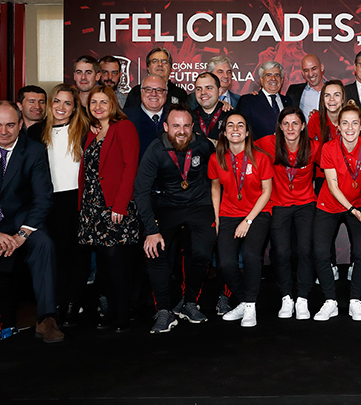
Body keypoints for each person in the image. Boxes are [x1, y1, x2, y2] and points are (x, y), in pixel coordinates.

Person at [0, 101, 59, 347]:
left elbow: (43, 198)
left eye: (9, 125)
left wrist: (22, 235)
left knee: (44, 245)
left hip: (20, 222)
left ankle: (47, 318)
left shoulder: (35, 150)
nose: (3, 131)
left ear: (20, 125)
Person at [134, 104, 216, 334]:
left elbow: (217, 178)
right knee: (155, 250)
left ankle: (189, 302)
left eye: (186, 126)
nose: (181, 131)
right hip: (168, 206)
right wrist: (151, 230)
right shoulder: (155, 149)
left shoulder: (203, 145)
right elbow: (140, 190)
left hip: (199, 205)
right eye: (176, 126)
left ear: (193, 127)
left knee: (201, 252)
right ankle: (163, 310)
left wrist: (220, 214)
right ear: (166, 126)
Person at [78, 85, 141, 333]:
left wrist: (120, 204)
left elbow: (130, 166)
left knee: (116, 263)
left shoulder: (123, 127)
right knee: (104, 264)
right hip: (92, 206)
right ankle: (112, 310)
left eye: (104, 102)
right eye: (94, 103)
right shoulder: (92, 131)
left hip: (114, 206)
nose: (98, 107)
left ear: (113, 104)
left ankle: (123, 314)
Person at [27, 84, 91, 327]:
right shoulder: (35, 132)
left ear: (75, 107)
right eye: (57, 102)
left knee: (79, 253)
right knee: (56, 255)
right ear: (50, 104)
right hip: (48, 200)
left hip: (78, 198)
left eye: (67, 103)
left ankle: (73, 303)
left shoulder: (84, 128)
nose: (61, 107)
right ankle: (56, 303)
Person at [311, 102, 361, 321]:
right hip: (330, 203)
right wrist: (353, 211)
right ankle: (330, 300)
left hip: (359, 201)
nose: (350, 128)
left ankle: (355, 300)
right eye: (345, 123)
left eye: (355, 123)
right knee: (320, 252)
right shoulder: (328, 148)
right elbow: (332, 186)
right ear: (337, 126)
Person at [209, 111, 273, 328]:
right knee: (226, 263)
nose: (235, 129)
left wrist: (248, 221)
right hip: (228, 214)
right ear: (225, 133)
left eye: (240, 126)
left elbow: (267, 191)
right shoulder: (217, 157)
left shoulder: (260, 157)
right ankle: (246, 301)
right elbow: (215, 186)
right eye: (230, 126)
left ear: (247, 132)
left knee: (251, 255)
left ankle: (250, 306)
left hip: (258, 213)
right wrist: (217, 218)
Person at [256, 107, 321, 320]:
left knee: (304, 250)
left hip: (305, 204)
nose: (290, 128)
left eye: (295, 123)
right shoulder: (268, 143)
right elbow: (242, 147)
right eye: (286, 124)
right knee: (281, 252)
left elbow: (334, 157)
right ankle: (286, 297)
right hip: (279, 204)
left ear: (303, 126)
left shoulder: (313, 146)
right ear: (280, 127)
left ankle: (302, 297)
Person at [236, 60, 293, 140]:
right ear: (261, 80)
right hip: (258, 150)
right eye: (268, 75)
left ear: (282, 80)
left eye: (277, 75)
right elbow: (242, 130)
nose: (273, 79)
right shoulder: (248, 101)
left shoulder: (288, 101)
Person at [125, 75, 168, 159]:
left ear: (166, 93)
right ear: (141, 91)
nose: (153, 94)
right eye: (148, 89)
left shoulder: (175, 117)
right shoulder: (126, 118)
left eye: (159, 90)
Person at [286, 54, 325, 119]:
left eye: (314, 69)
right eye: (306, 71)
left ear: (321, 67)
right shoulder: (293, 92)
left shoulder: (335, 90)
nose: (310, 74)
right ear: (302, 73)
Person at [191, 72, 227, 142]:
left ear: (219, 91)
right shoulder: (189, 118)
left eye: (209, 88)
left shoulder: (230, 116)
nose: (203, 92)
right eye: (199, 89)